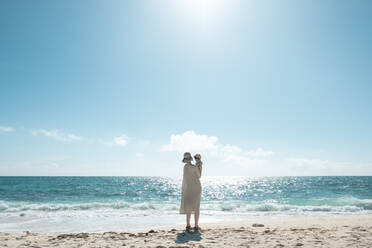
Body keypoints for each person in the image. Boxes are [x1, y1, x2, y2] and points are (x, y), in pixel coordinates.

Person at [179, 152, 202, 232]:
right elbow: (199, 176)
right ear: (191, 158)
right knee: (196, 207)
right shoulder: (194, 167)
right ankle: (196, 226)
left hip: (188, 189)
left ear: (185, 160)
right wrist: (200, 166)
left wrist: (197, 165)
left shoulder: (185, 167)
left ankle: (188, 225)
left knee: (188, 207)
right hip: (196, 188)